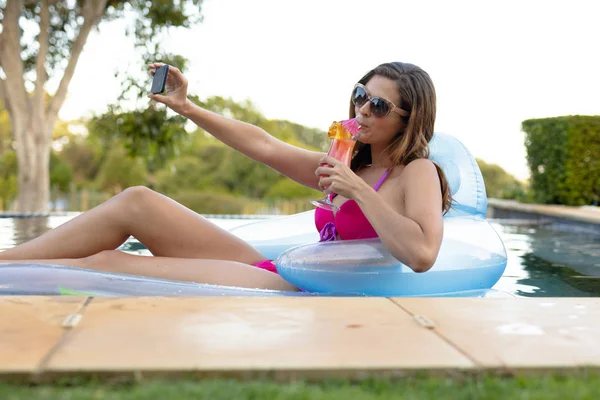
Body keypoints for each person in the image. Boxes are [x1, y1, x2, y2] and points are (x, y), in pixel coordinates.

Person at [0, 61, 452, 291]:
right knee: (138, 200)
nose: (360, 109)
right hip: (288, 272)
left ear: (410, 118)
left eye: (377, 105)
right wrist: (188, 108)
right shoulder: (350, 163)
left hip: (308, 291)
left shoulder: (417, 172)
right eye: (360, 95)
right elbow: (264, 145)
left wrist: (357, 191)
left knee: (107, 263)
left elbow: (422, 253)